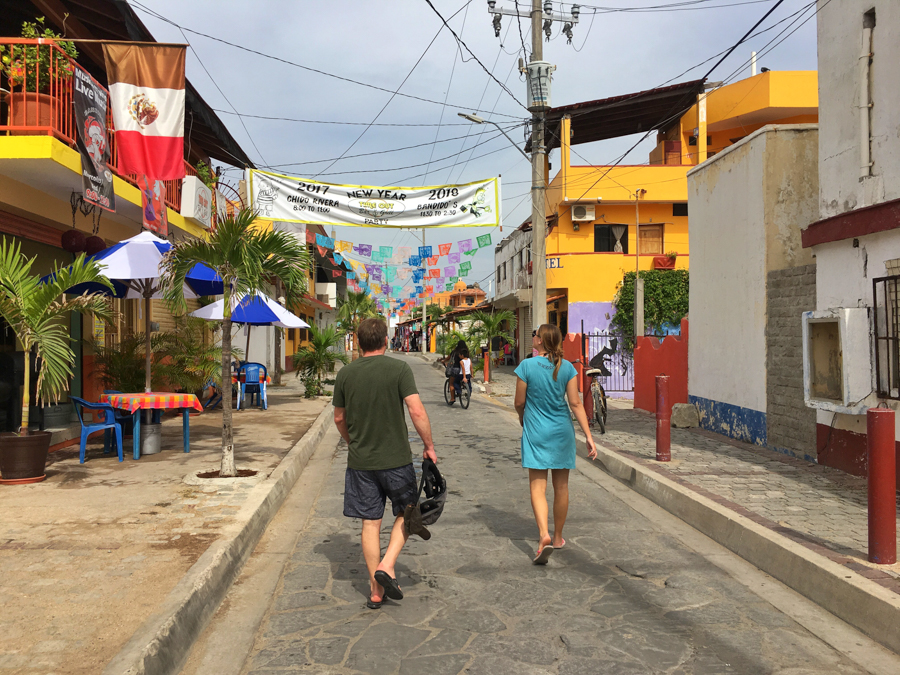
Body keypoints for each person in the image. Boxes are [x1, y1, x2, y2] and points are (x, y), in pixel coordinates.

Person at [333, 318, 437, 609]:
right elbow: (416, 411)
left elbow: (339, 418)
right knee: (407, 513)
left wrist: (351, 441)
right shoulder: (399, 369)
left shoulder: (346, 374)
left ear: (359, 341)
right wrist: (428, 446)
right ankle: (388, 563)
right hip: (396, 460)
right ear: (386, 340)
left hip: (361, 462)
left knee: (370, 522)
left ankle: (376, 589)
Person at [513, 324, 597, 565]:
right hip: (562, 432)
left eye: (535, 336)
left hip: (537, 432)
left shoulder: (526, 366)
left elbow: (519, 402)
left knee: (538, 488)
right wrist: (589, 436)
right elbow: (576, 404)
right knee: (562, 488)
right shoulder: (568, 368)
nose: (533, 338)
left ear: (541, 341)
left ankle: (543, 535)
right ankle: (558, 537)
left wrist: (522, 417)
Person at [446, 339, 468, 403]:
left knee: (451, 383)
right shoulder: (466, 352)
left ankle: (452, 398)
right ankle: (464, 386)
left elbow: (449, 358)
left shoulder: (455, 351)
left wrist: (444, 361)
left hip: (456, 369)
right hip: (465, 370)